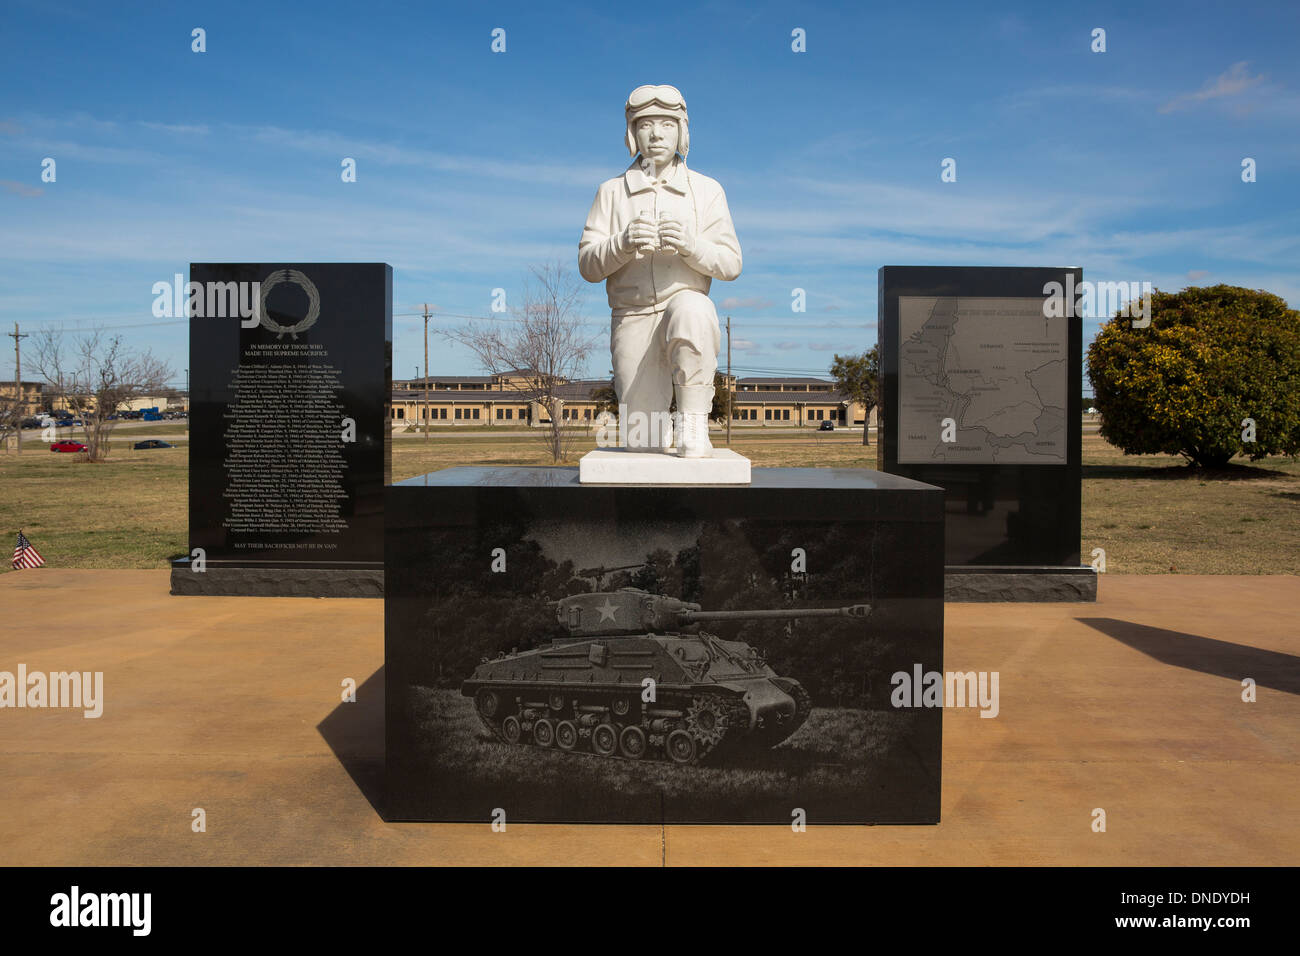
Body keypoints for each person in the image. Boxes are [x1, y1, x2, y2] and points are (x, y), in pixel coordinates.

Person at [578, 84, 742, 457]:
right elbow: (588, 266)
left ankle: (693, 422)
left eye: (666, 124)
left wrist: (690, 245)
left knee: (694, 309)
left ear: (681, 130)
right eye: (645, 124)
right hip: (632, 315)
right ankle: (657, 429)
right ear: (632, 133)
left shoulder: (707, 190)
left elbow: (731, 263)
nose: (655, 134)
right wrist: (620, 243)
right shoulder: (611, 192)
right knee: (643, 444)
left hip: (683, 308)